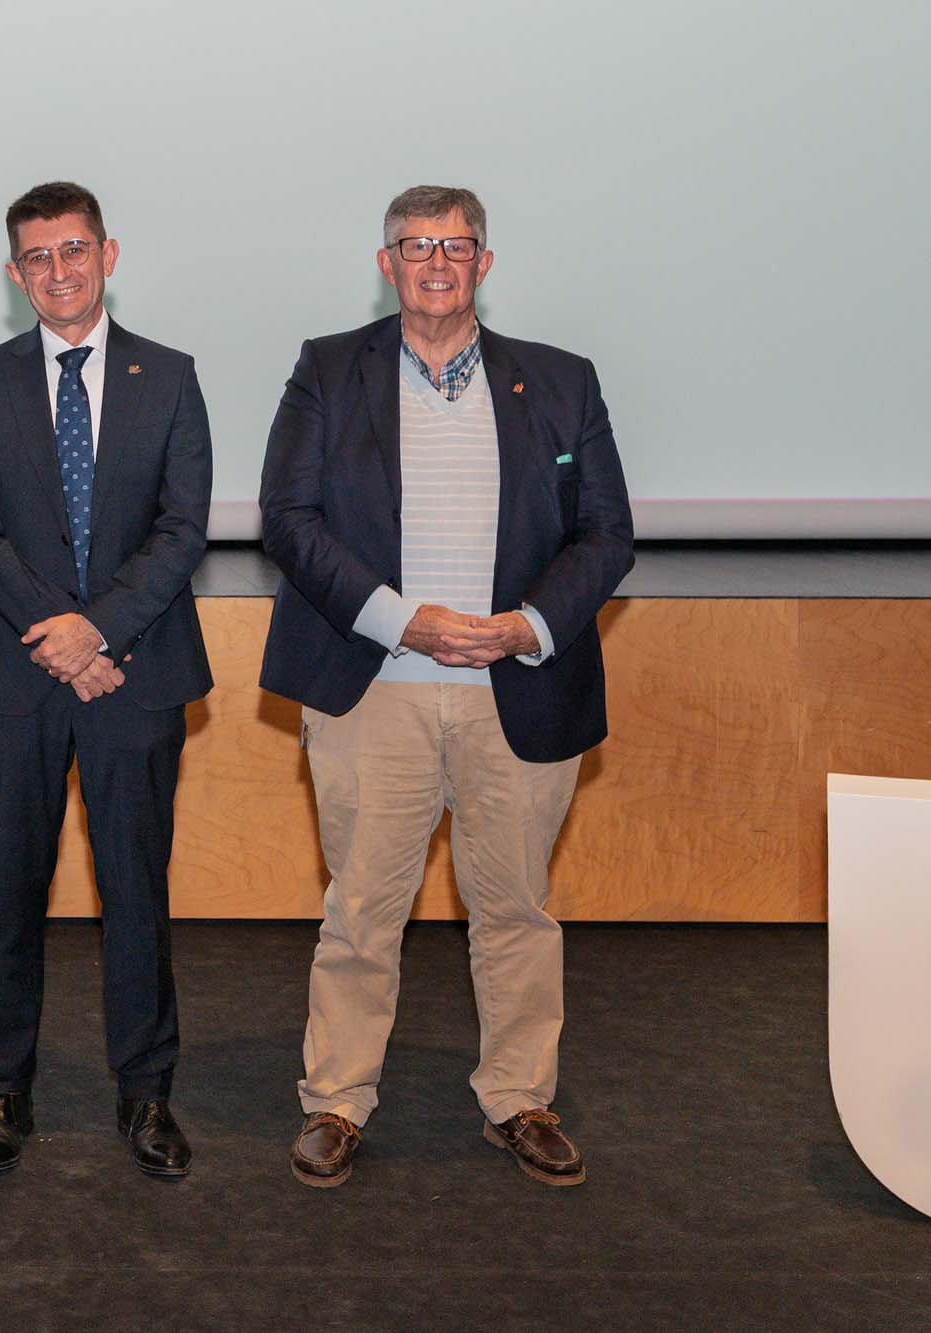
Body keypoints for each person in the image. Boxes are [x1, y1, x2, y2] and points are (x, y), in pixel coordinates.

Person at [259, 185, 633, 1189]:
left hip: (516, 686)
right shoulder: (327, 368)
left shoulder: (561, 380)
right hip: (373, 683)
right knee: (361, 907)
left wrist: (525, 626)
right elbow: (288, 518)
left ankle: (519, 1097)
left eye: (456, 245)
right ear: (385, 263)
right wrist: (401, 618)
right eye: (416, 245)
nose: (436, 262)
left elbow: (606, 534)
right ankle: (336, 1100)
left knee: (515, 909)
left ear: (484, 263)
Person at [0, 182, 213, 1179]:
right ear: (14, 275)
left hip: (135, 674)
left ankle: (145, 1092)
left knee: (135, 891)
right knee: (8, 888)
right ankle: (0, 1088)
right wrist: (57, 635)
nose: (57, 270)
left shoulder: (169, 376)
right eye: (37, 257)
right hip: (17, 677)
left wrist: (97, 631)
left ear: (108, 254)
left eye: (73, 250)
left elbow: (182, 525)